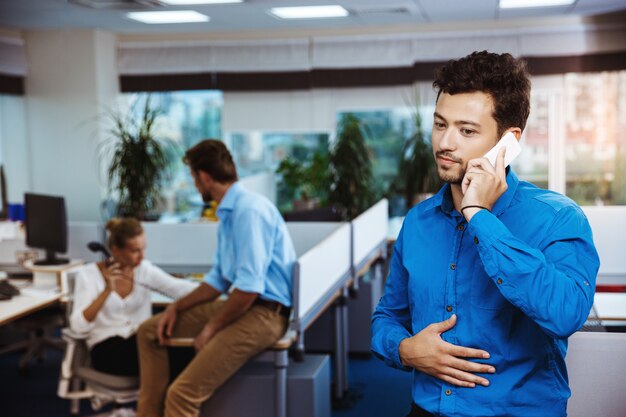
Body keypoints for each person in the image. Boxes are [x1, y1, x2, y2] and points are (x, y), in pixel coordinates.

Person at [371, 51, 599, 417]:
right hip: (425, 410)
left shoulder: (559, 218)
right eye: (440, 124)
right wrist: (405, 350)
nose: (445, 143)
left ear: (507, 141)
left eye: (467, 130)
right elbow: (386, 317)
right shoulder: (417, 222)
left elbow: (566, 314)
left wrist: (479, 217)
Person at [136, 139, 296, 417]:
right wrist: (177, 306)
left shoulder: (249, 211)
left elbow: (248, 289)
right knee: (150, 331)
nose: (195, 186)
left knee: (182, 394)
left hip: (265, 314)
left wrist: (210, 328)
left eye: (194, 178)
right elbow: (219, 279)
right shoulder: (229, 212)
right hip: (247, 305)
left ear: (205, 177)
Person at [70, 218, 197, 377]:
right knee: (169, 358)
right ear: (115, 250)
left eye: (143, 249)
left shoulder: (144, 270)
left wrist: (217, 288)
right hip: (107, 349)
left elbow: (178, 288)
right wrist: (107, 290)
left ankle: (162, 400)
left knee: (188, 351)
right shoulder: (88, 275)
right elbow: (78, 326)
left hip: (140, 341)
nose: (142, 256)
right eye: (135, 251)